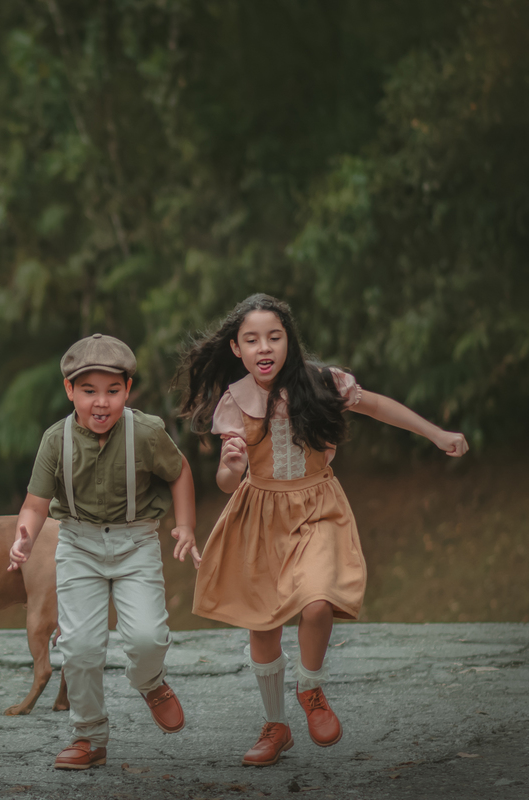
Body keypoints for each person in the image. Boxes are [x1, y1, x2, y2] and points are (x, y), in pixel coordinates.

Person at [176, 293, 468, 767]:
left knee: (317, 603)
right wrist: (232, 465)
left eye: (274, 336)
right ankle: (275, 726)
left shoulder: (321, 382)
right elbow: (229, 483)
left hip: (317, 508)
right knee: (264, 625)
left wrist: (436, 433)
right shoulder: (234, 403)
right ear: (236, 349)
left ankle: (310, 688)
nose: (264, 347)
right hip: (258, 515)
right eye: (251, 339)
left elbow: (375, 406)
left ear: (289, 339)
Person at [8, 333, 200, 770]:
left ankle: (149, 680)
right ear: (69, 391)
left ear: (128, 390)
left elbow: (180, 471)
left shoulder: (146, 432)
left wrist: (185, 525)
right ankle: (88, 736)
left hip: (136, 543)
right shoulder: (55, 440)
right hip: (78, 544)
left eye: (113, 391)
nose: (101, 402)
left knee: (146, 637)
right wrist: (24, 537)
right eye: (89, 391)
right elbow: (35, 505)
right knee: (78, 647)